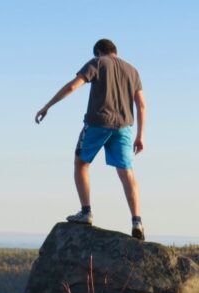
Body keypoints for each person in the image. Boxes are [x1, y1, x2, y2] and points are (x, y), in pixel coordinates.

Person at [35, 39, 146, 240]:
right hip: (124, 126)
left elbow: (72, 86)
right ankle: (136, 220)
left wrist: (48, 106)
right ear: (115, 51)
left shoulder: (97, 63)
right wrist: (140, 136)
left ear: (98, 52)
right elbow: (141, 105)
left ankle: (86, 212)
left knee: (81, 163)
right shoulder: (133, 70)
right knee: (126, 172)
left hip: (98, 122)